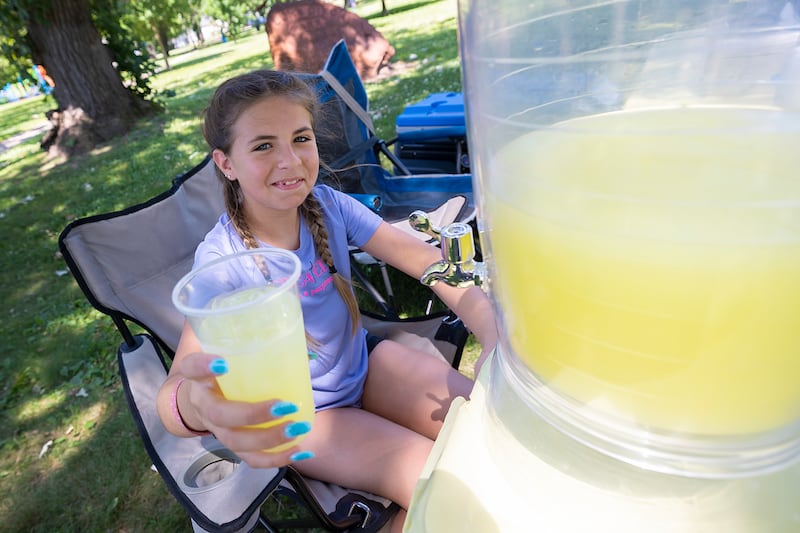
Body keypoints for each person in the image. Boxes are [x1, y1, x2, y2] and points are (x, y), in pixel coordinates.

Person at [156, 69, 497, 532]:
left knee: (490, 425)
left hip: (364, 365)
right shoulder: (222, 263)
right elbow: (174, 395)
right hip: (308, 415)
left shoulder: (329, 206)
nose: (290, 160)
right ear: (226, 163)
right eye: (263, 145)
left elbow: (426, 263)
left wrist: (492, 334)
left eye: (301, 138)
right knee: (442, 486)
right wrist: (199, 407)